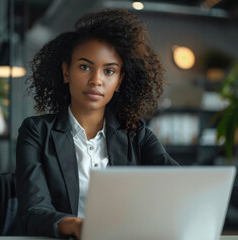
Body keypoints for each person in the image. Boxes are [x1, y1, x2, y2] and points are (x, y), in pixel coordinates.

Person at [14, 8, 178, 239]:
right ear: (66, 72)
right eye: (84, 67)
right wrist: (78, 226)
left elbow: (178, 184)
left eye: (109, 71)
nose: (96, 80)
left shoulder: (136, 133)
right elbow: (33, 210)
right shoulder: (36, 132)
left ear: (119, 82)